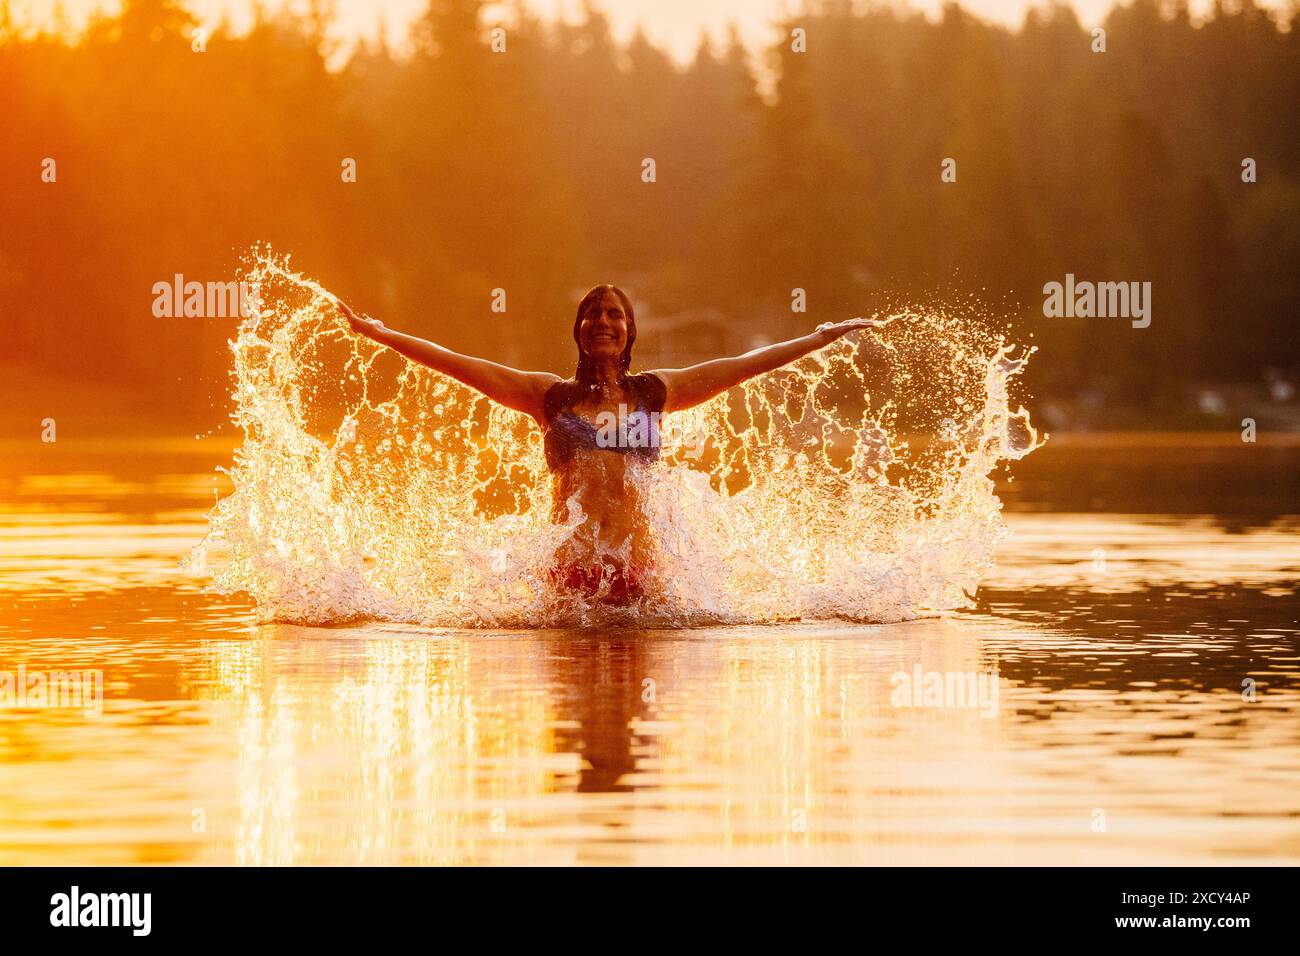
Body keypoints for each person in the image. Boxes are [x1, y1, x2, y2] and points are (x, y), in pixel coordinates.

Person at [336, 285, 881, 603]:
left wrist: (817, 338)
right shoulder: (547, 397)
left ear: (628, 332)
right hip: (569, 578)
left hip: (642, 574)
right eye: (593, 314)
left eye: (614, 314)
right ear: (579, 330)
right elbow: (463, 365)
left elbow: (739, 367)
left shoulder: (657, 394)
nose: (603, 320)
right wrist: (384, 335)